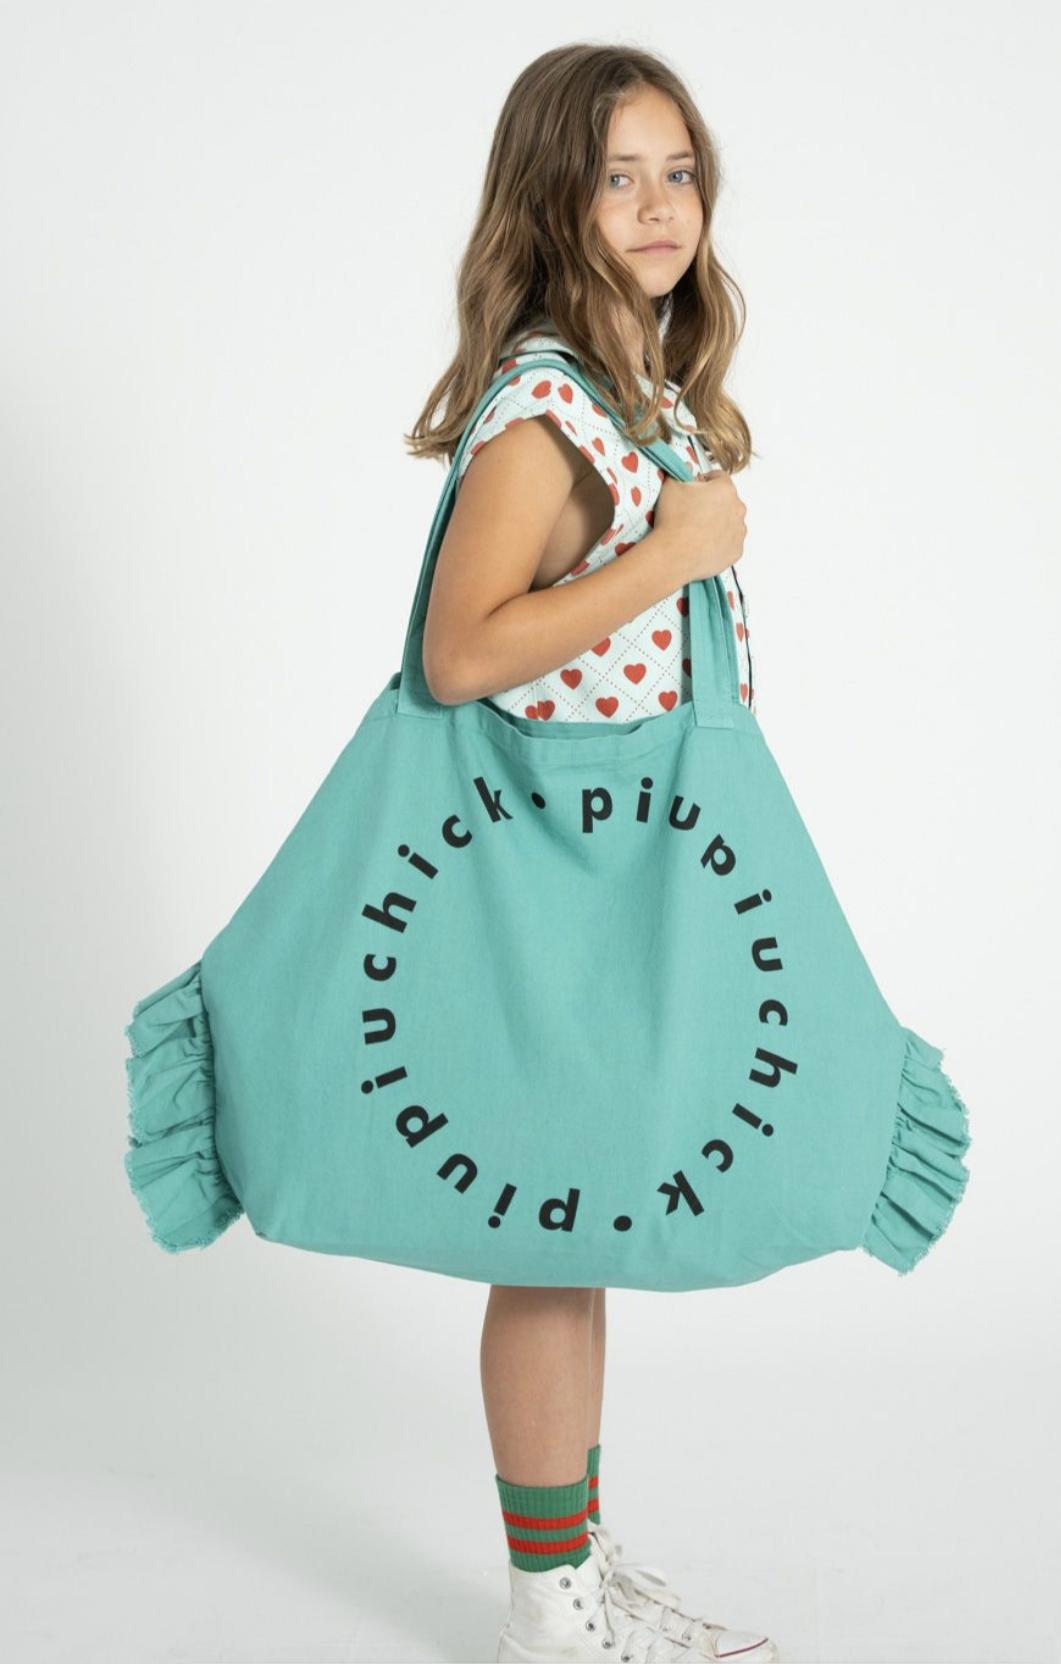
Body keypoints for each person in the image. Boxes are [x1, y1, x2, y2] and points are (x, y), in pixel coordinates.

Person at [403, 42, 780, 1664]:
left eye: (677, 172)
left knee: (576, 1234)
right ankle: (551, 1613)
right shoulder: (546, 408)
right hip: (545, 886)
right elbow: (459, 656)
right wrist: (675, 553)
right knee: (551, 1239)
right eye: (616, 176)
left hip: (608, 870)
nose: (656, 206)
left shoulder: (638, 399)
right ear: (550, 199)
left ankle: (574, 1566)